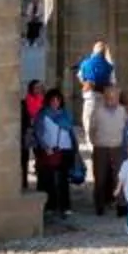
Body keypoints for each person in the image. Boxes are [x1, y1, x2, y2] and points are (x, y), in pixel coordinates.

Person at [36, 95, 81, 229]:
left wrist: (75, 148)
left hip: (65, 149)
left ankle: (65, 206)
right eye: (53, 100)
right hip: (50, 150)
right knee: (48, 179)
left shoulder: (66, 115)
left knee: (63, 180)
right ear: (48, 101)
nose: (56, 103)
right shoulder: (43, 115)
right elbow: (39, 133)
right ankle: (50, 206)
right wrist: (45, 147)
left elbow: (70, 131)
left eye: (58, 100)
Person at [89, 85, 128, 217]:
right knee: (100, 177)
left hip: (117, 147)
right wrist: (96, 141)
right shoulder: (98, 111)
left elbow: (125, 128)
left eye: (115, 97)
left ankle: (121, 205)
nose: (112, 100)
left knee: (119, 177)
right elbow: (92, 129)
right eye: (109, 97)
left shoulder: (122, 111)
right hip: (101, 147)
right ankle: (100, 205)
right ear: (105, 97)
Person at [77, 41, 118, 136]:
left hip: (90, 98)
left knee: (88, 123)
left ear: (94, 51)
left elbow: (80, 77)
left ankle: (91, 146)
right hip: (103, 98)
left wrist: (88, 84)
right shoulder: (109, 67)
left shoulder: (85, 63)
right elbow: (113, 83)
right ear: (104, 52)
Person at [19, 79, 47, 194]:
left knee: (40, 157)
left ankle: (41, 183)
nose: (38, 89)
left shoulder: (44, 102)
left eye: (40, 87)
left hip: (40, 132)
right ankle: (23, 181)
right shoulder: (25, 102)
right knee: (24, 158)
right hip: (27, 132)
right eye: (36, 87)